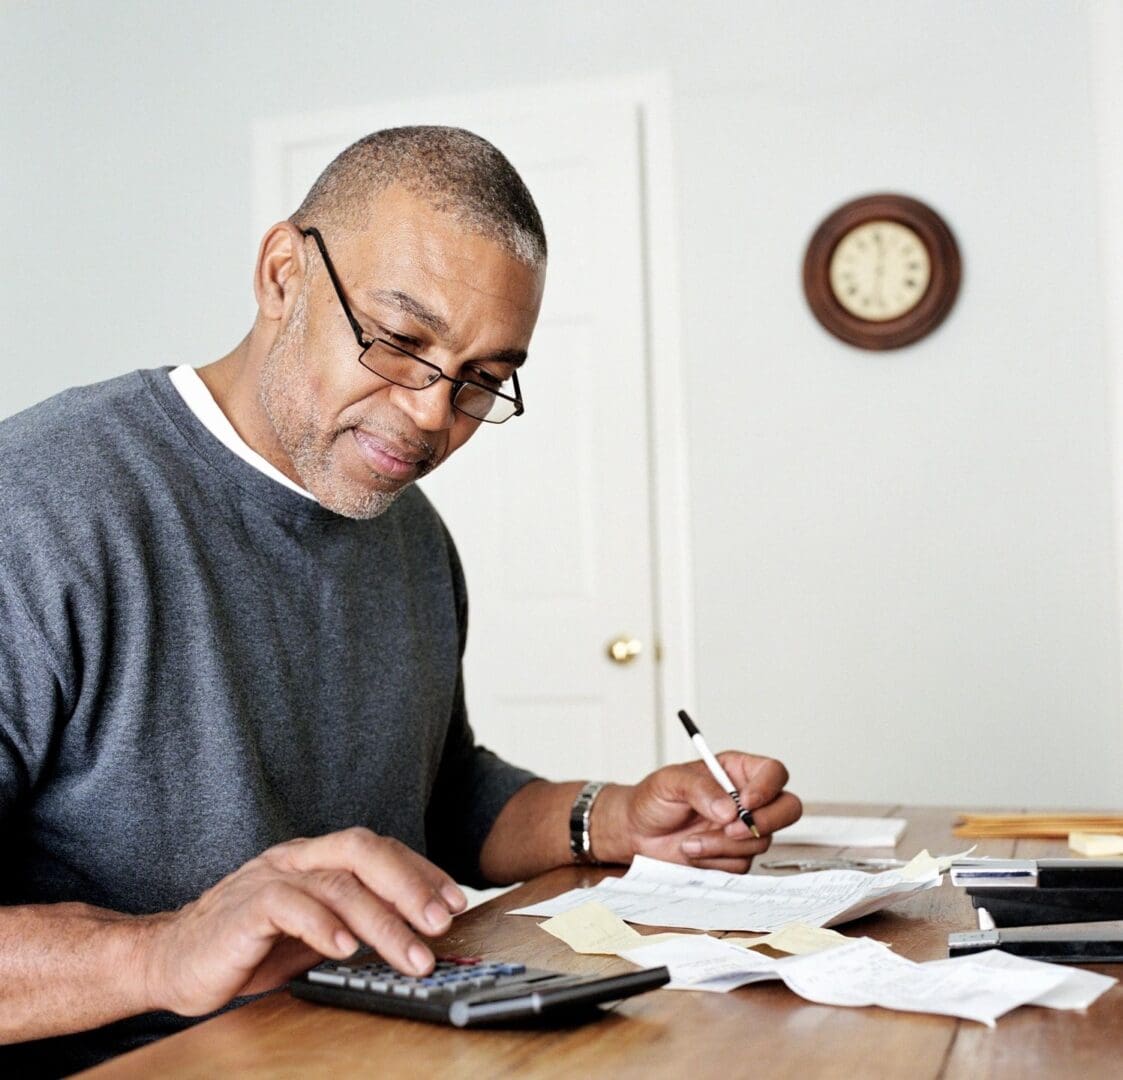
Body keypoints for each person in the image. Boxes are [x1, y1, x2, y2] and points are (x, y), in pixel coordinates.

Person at [0, 126, 801, 1073]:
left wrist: (612, 816)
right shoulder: (41, 507)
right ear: (282, 276)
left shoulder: (408, 530)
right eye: (398, 341)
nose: (431, 415)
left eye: (481, 380)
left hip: (357, 1047)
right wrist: (159, 952)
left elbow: (440, 793)